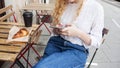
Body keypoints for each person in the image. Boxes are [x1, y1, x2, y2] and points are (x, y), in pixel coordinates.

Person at [33, 0, 104, 68]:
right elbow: (54, 32)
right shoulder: (62, 3)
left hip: (76, 50)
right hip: (55, 43)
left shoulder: (96, 8)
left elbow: (97, 42)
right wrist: (57, 30)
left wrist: (77, 33)